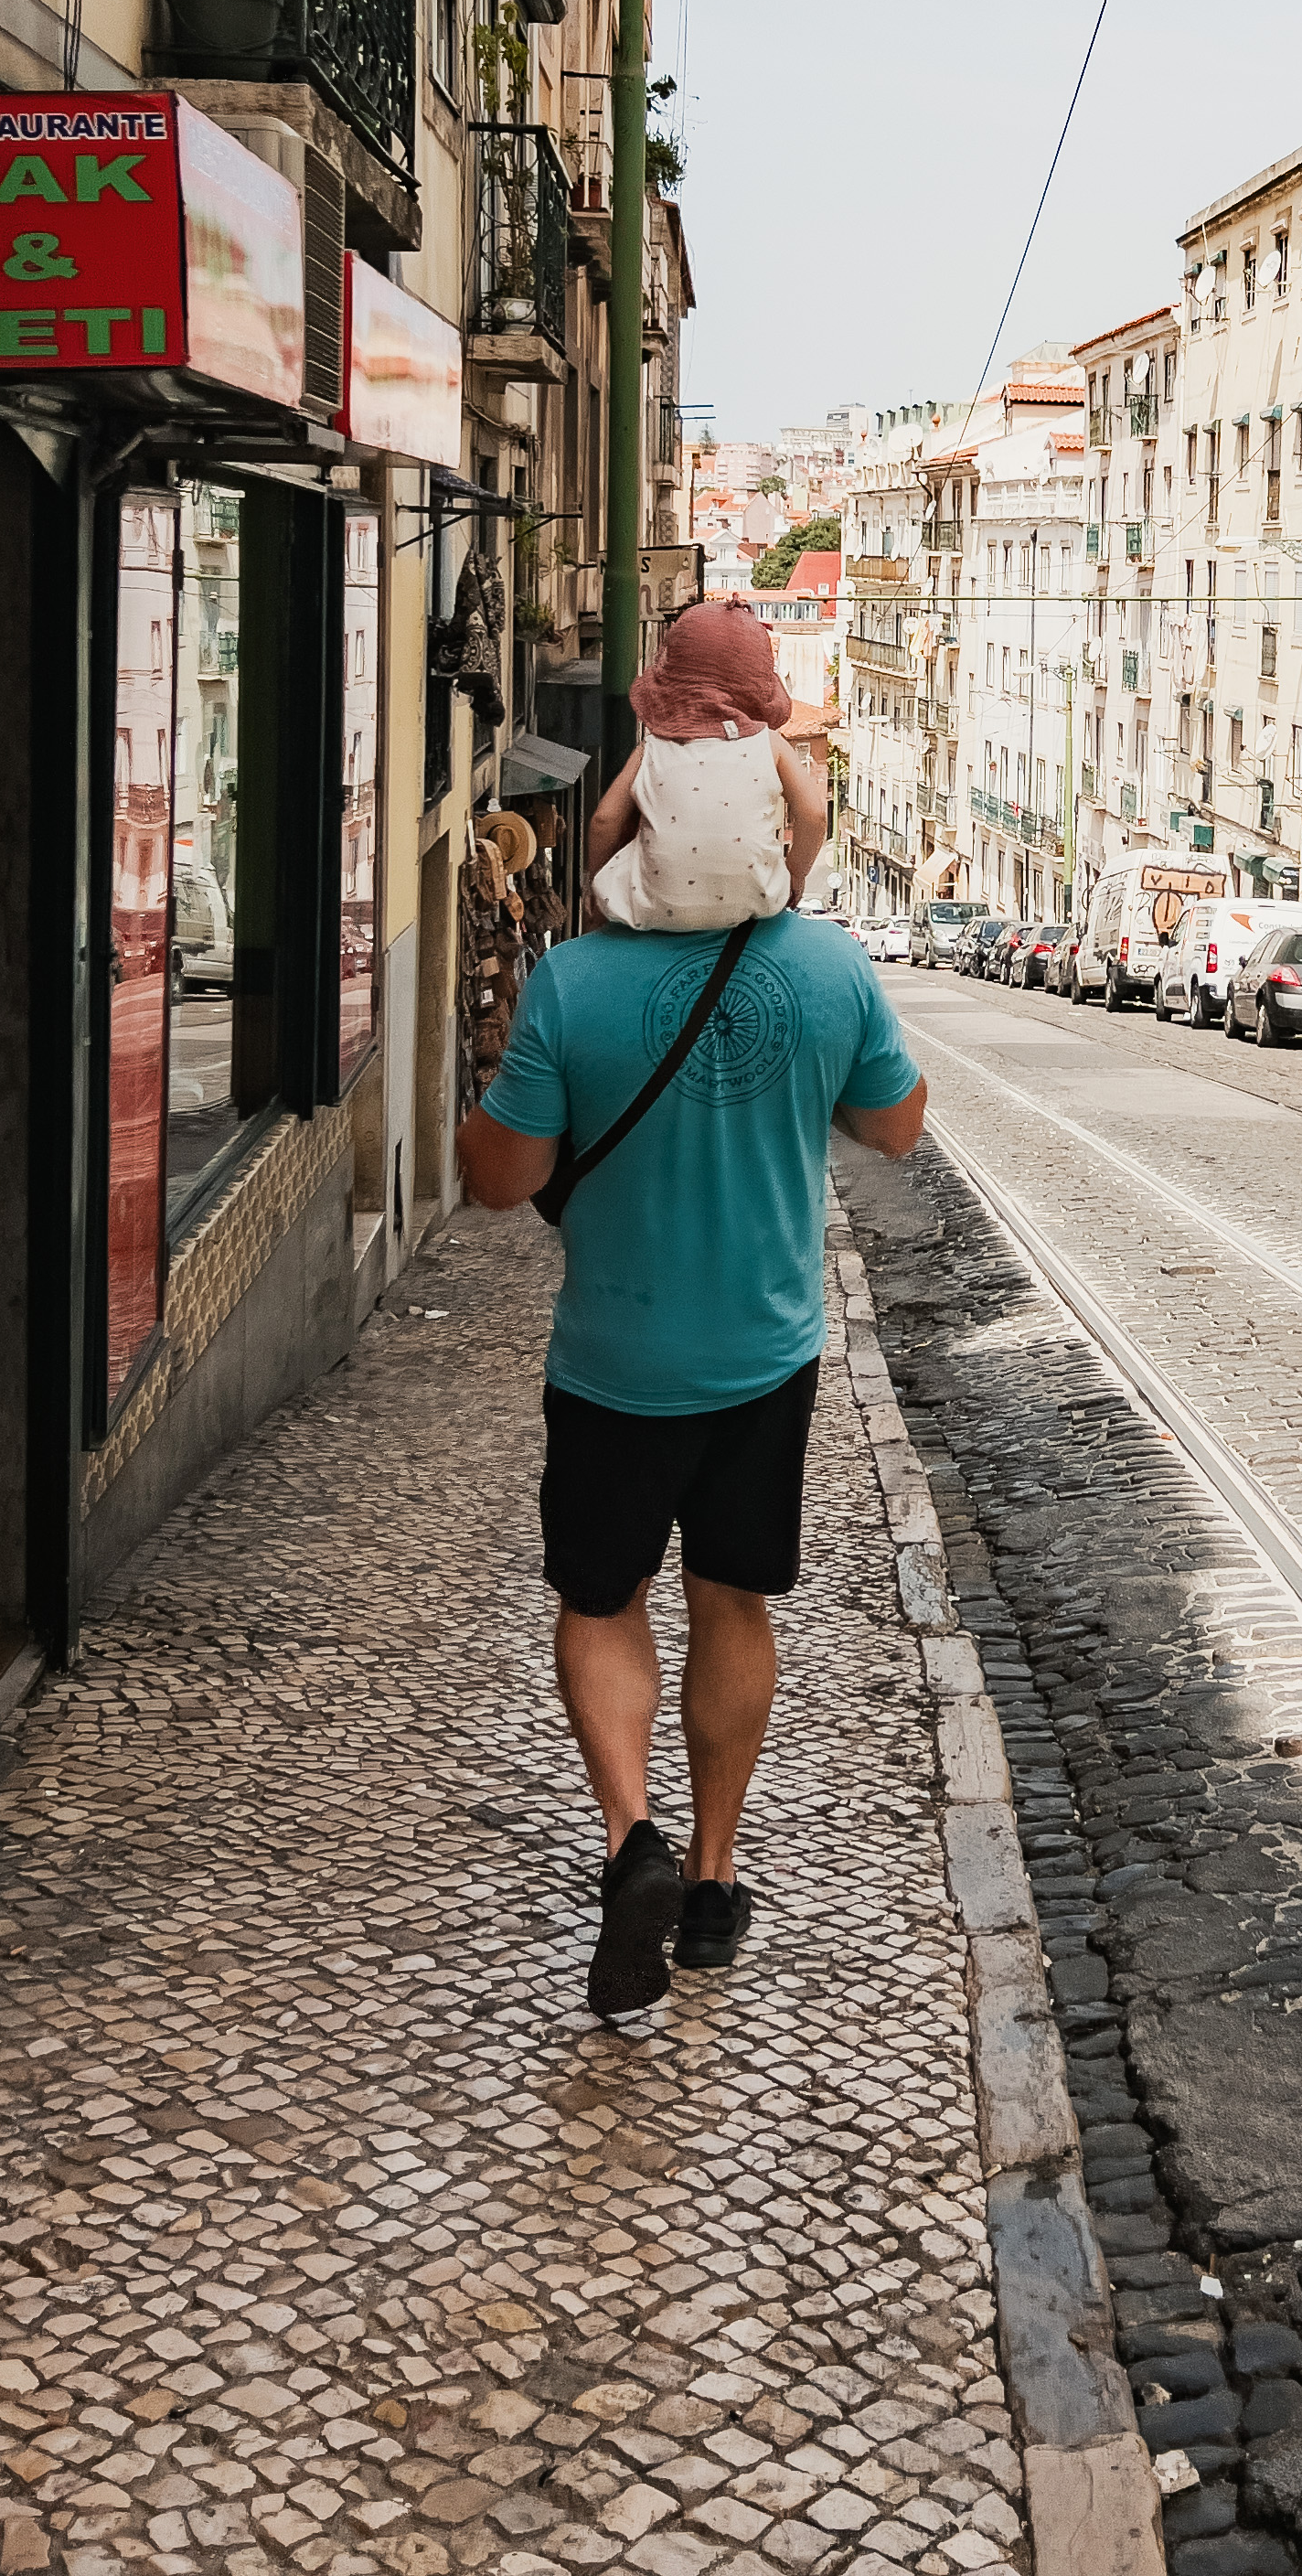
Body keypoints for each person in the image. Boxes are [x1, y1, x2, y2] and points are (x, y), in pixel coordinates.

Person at [455, 625, 927, 2024]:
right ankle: (715, 1883)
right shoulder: (829, 971)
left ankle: (631, 1843)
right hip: (763, 1364)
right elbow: (897, 1131)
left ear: (642, 783)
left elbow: (499, 1185)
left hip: (613, 1369)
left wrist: (597, 863)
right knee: (734, 1604)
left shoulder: (575, 984)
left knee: (600, 1603)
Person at [589, 601, 828, 933]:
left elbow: (604, 821)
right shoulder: (770, 744)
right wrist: (796, 874)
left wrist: (594, 882)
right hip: (756, 901)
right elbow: (814, 816)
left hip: (652, 906)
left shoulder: (651, 749)